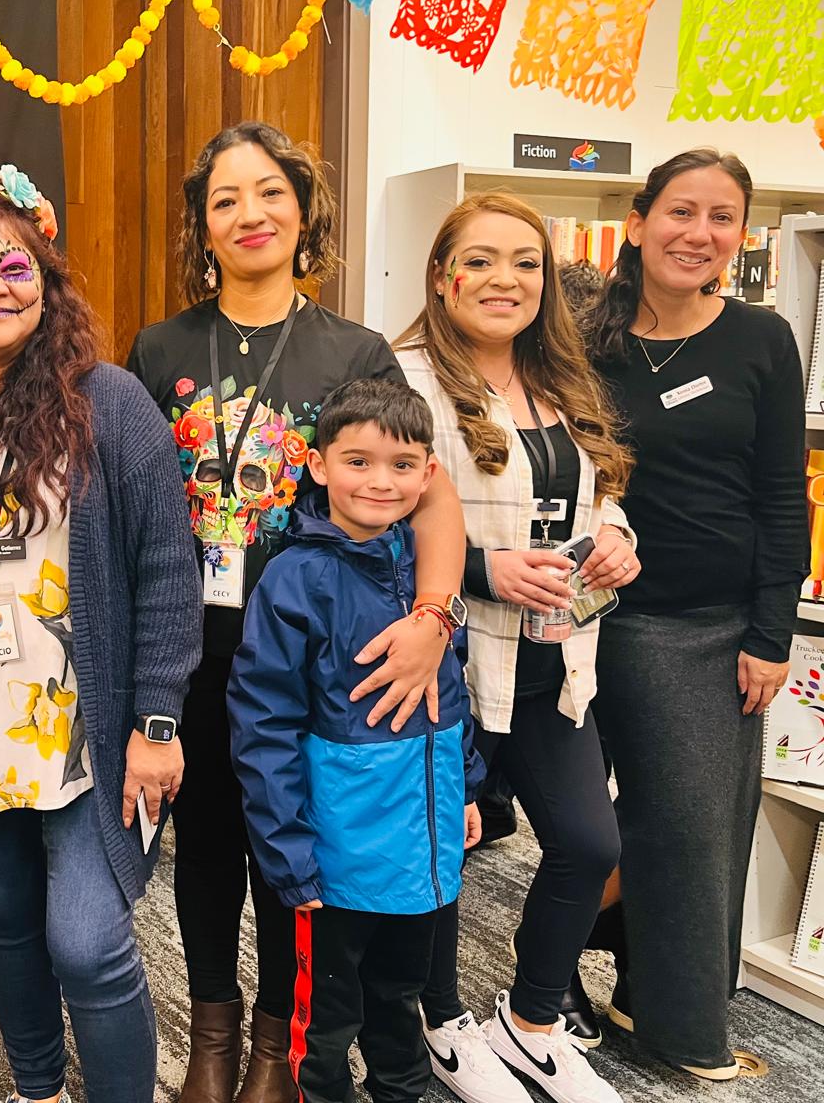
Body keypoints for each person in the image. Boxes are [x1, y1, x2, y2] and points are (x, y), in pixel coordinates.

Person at [126, 120, 467, 1103]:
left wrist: (434, 615)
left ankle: (277, 1047)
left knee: (291, 857)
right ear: (202, 223)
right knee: (208, 849)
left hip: (316, 651)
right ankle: (212, 1041)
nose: (248, 214)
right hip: (190, 646)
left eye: (268, 192)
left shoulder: (352, 346)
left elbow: (428, 487)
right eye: (223, 198)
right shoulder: (160, 347)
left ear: (303, 207)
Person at [0, 162, 200, 1103]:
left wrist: (159, 720)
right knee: (8, 920)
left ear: (47, 280)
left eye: (13, 265)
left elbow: (166, 570)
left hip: (86, 728)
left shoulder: (108, 399)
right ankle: (35, 1089)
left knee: (88, 940)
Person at [396, 193, 639, 1103]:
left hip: (556, 663)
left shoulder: (566, 383)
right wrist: (486, 571)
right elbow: (381, 515)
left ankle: (532, 1022)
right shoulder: (407, 377)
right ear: (443, 274)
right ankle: (443, 1021)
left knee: (586, 841)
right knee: (443, 855)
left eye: (527, 263)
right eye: (484, 260)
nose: (507, 280)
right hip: (454, 663)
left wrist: (618, 542)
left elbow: (598, 497)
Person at [584, 148, 806, 1079]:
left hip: (706, 631)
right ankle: (544, 992)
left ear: (741, 235)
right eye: (681, 211)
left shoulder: (760, 339)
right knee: (573, 827)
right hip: (581, 616)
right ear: (637, 222)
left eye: (723, 217)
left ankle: (670, 1022)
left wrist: (769, 633)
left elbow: (782, 498)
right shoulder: (581, 336)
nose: (699, 233)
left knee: (691, 832)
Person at [228, 377, 483, 1103]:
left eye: (403, 465)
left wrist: (464, 787)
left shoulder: (428, 574)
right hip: (335, 859)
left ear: (429, 474)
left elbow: (447, 691)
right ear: (317, 464)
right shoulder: (293, 580)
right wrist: (287, 853)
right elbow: (262, 725)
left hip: (419, 847)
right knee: (327, 1028)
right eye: (359, 461)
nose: (380, 481)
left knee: (401, 1005)